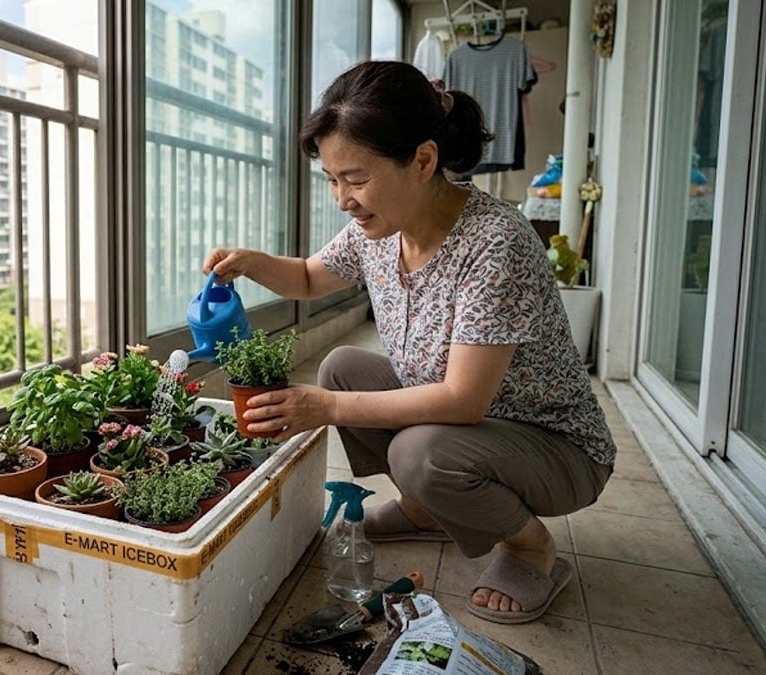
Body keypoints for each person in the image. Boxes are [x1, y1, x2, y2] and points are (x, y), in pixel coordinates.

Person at [202, 60, 615, 625]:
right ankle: (426, 510)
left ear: (423, 160)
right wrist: (251, 264)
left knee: (417, 451)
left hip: (553, 445)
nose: (342, 198)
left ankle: (528, 547)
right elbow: (305, 277)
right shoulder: (379, 229)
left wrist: (325, 410)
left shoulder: (495, 244)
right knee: (343, 367)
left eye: (356, 178)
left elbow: (462, 401)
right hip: (473, 428)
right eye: (331, 180)